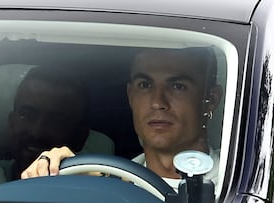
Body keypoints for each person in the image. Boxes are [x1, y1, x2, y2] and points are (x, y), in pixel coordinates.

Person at [20, 47, 223, 193]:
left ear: (210, 101)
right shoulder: (106, 184)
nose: (158, 102)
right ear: (130, 96)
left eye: (177, 86)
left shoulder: (245, 184)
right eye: (145, 85)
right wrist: (54, 175)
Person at [7, 66, 91, 179]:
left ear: (80, 137)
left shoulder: (91, 187)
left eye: (57, 122)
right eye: (27, 115)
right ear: (12, 122)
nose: (37, 132)